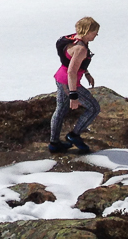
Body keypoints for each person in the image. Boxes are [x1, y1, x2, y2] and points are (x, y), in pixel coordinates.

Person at [50, 16, 100, 154]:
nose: (96, 35)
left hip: (61, 77)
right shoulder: (80, 48)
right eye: (94, 32)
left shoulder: (73, 38)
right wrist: (73, 95)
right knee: (94, 108)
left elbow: (74, 62)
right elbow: (72, 72)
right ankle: (74, 135)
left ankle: (54, 143)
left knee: (60, 110)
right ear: (87, 31)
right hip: (69, 82)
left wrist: (86, 73)